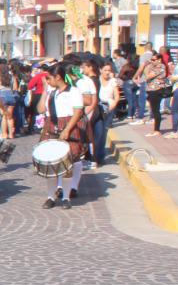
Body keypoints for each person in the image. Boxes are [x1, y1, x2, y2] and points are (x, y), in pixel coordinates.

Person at [41, 62, 88, 208]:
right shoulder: (51, 92)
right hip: (52, 126)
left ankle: (66, 197)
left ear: (58, 77)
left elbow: (78, 112)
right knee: (50, 165)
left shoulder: (73, 91)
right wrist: (45, 91)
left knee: (67, 165)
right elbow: (41, 108)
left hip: (68, 125)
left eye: (49, 78)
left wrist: (67, 130)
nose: (48, 81)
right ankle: (51, 197)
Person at [139, 48, 170, 137]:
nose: (152, 61)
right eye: (151, 59)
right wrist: (148, 65)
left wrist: (146, 66)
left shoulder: (160, 67)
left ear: (159, 59)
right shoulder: (154, 66)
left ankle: (157, 130)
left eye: (154, 60)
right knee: (154, 109)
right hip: (151, 90)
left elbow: (147, 76)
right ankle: (155, 129)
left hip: (156, 90)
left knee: (156, 110)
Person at [95, 63, 121, 162]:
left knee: (104, 132)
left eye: (109, 70)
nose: (107, 72)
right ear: (100, 70)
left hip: (109, 107)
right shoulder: (96, 80)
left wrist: (112, 107)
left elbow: (116, 96)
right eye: (105, 70)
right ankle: (94, 155)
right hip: (98, 107)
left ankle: (100, 156)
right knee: (97, 132)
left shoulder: (113, 81)